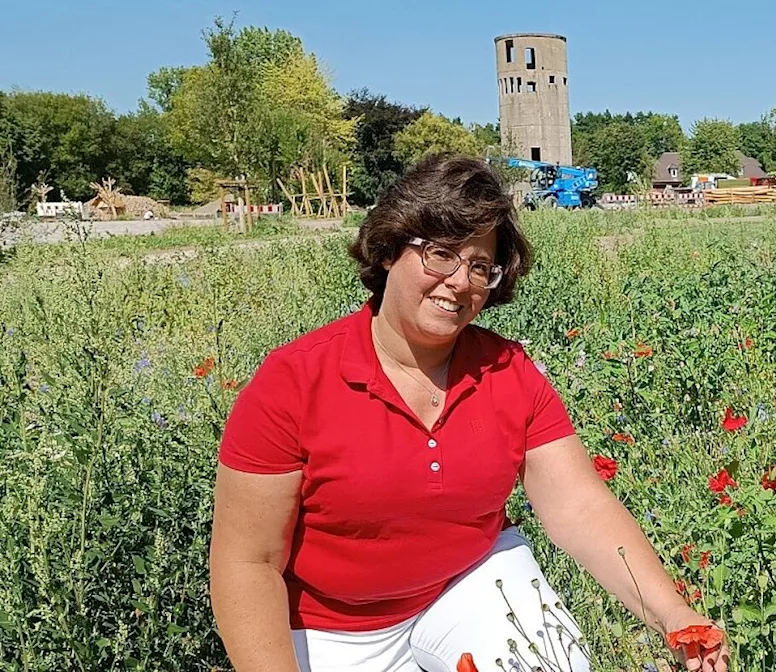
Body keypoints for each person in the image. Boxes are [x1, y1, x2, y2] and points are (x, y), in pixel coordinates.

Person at [208, 155, 730, 672]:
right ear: (391, 251)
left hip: (471, 581)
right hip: (334, 627)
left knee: (550, 665)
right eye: (440, 254)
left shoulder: (507, 370)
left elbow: (579, 506)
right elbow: (246, 563)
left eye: (480, 266)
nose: (460, 281)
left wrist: (672, 614)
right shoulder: (294, 382)